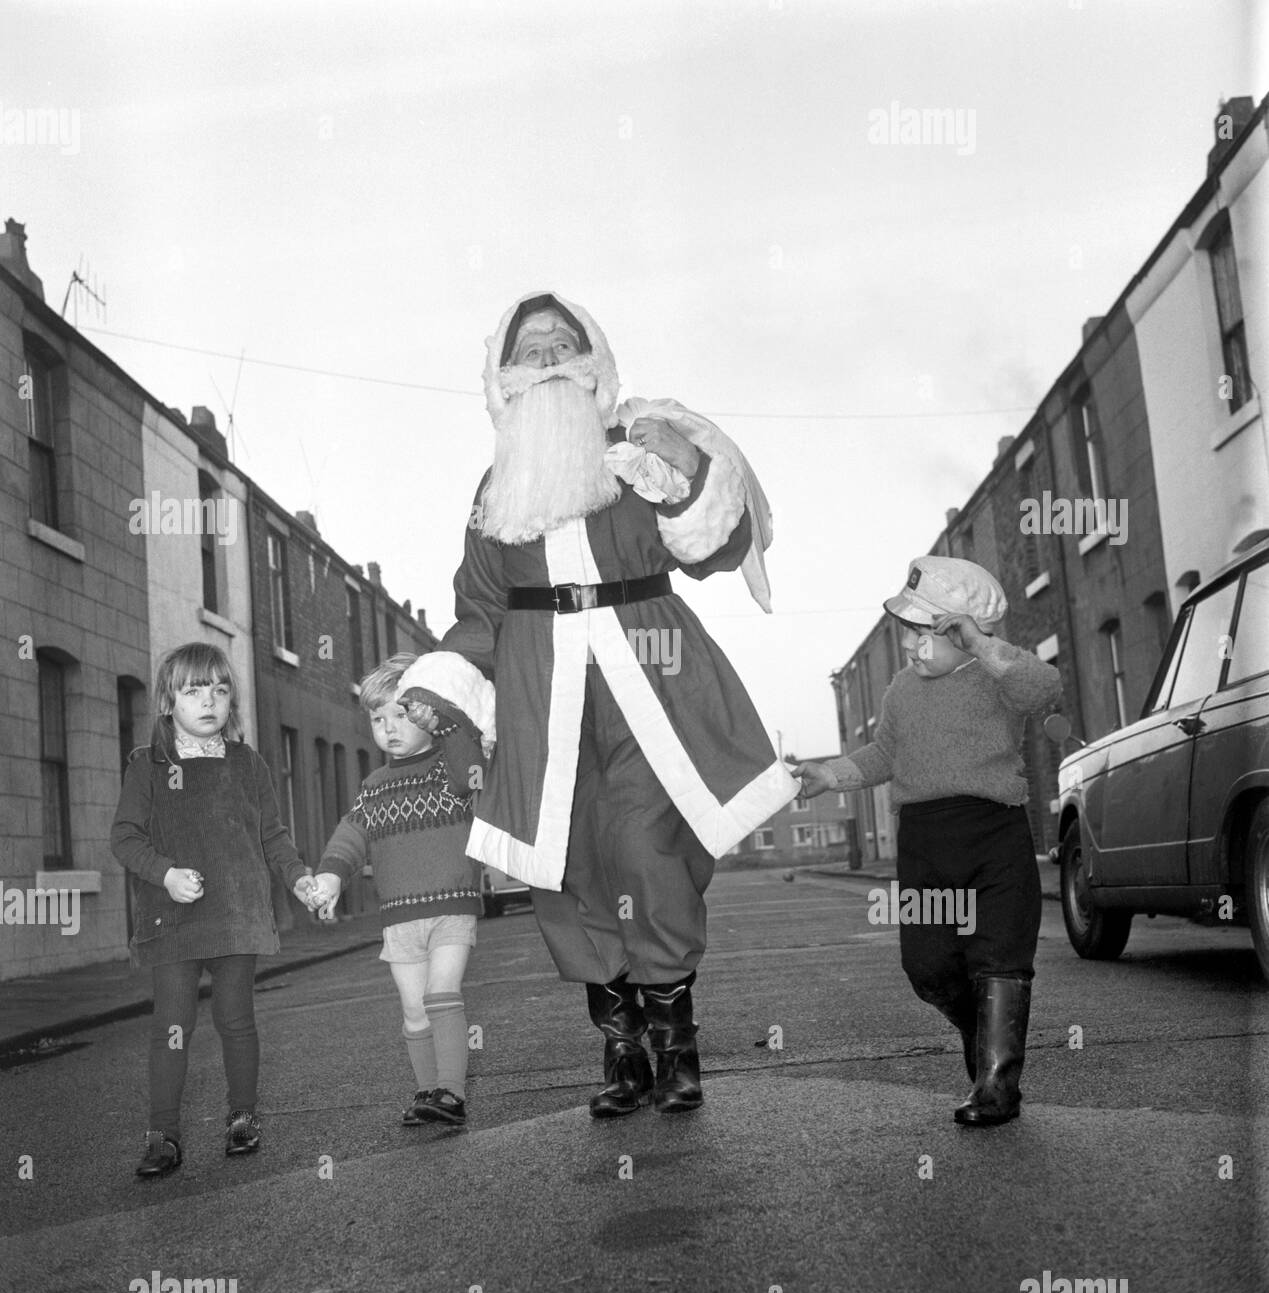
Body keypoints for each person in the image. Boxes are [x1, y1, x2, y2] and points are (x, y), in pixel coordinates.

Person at [401, 291, 798, 1118]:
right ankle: (623, 1051)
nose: (546, 355)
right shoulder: (492, 488)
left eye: (561, 343)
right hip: (542, 696)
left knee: (645, 850)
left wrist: (685, 480)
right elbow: (481, 607)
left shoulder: (639, 446)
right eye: (529, 346)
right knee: (568, 869)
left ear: (592, 363)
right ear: (504, 377)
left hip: (650, 683)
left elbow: (716, 547)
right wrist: (438, 684)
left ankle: (675, 1044)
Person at [794, 557, 1062, 1126]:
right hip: (923, 843)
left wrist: (985, 648)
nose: (913, 647)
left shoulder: (1000, 679)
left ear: (963, 632)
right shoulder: (901, 691)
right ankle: (981, 1024)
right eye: (908, 634)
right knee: (928, 968)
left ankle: (996, 1087)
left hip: (994, 834)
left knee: (1000, 958)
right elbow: (883, 755)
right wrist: (830, 774)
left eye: (926, 634)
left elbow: (1044, 690)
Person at [110, 642, 315, 1177]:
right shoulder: (148, 764)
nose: (209, 701)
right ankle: (163, 1135)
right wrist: (167, 874)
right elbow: (125, 838)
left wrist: (300, 880)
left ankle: (242, 1117)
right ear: (167, 701)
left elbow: (273, 837)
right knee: (172, 1025)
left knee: (236, 1021)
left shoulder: (247, 764)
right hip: (172, 918)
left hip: (236, 912)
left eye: (220, 691)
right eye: (194, 690)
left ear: (232, 703)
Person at [308, 651, 492, 1127]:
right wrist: (330, 875)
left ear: (425, 716)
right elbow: (352, 835)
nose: (388, 727)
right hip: (398, 918)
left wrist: (446, 722)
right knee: (413, 1011)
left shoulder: (449, 770)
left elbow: (472, 763)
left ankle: (452, 1093)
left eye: (401, 714)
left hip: (452, 907)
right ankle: (427, 1091)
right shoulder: (373, 786)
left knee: (440, 992)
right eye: (377, 717)